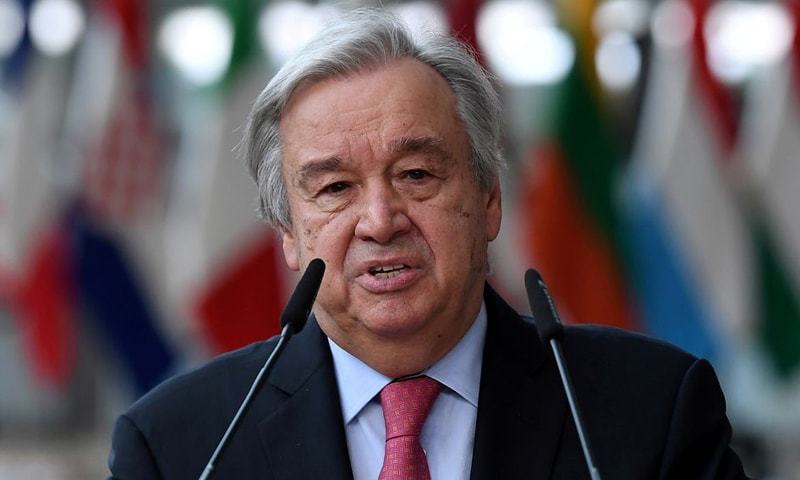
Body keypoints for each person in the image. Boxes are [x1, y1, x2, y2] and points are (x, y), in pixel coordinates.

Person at [108, 9, 749, 479]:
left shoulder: (650, 411)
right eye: (334, 188)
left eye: (416, 175)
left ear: (489, 198)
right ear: (288, 235)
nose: (381, 220)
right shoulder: (180, 447)